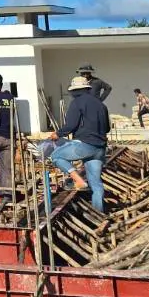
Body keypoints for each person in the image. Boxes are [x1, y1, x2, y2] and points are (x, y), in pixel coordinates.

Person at [50, 76, 110, 214]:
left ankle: (79, 181)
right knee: (96, 185)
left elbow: (71, 125)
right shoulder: (101, 105)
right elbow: (107, 128)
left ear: (74, 91)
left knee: (56, 156)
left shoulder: (77, 103)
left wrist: (57, 134)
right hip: (100, 148)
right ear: (87, 89)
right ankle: (98, 214)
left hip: (85, 145)